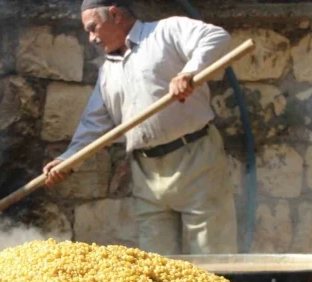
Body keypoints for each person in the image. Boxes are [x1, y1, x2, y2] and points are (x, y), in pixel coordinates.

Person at [43, 0, 237, 255]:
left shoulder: (165, 31)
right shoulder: (107, 72)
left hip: (195, 159)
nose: (91, 38)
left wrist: (189, 73)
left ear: (115, 15)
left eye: (93, 28)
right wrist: (68, 159)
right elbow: (95, 123)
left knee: (213, 256)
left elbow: (216, 36)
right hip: (147, 173)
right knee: (157, 263)